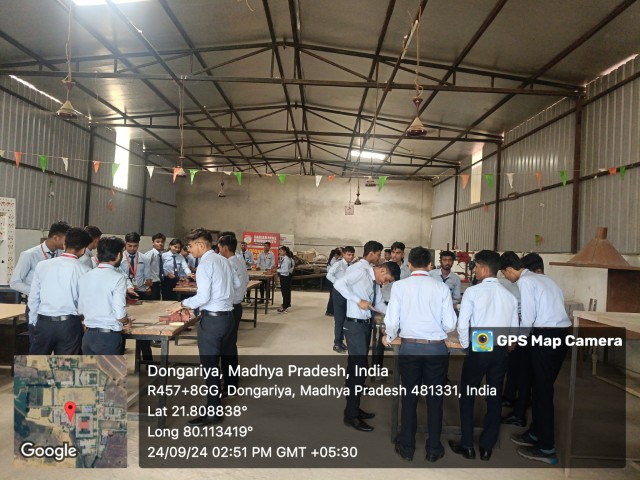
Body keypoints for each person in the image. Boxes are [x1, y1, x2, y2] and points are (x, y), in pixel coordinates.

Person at [383, 247, 456, 462]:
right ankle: (433, 449)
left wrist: (389, 335)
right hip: (436, 349)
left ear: (410, 264)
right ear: (430, 265)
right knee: (435, 399)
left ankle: (407, 448)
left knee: (410, 397)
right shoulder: (441, 287)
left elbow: (392, 319)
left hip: (410, 348)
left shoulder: (400, 286)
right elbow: (450, 323)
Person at [500, 251, 571, 465]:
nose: (507, 278)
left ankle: (547, 447)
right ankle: (535, 433)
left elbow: (528, 319)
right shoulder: (545, 279)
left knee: (542, 392)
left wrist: (516, 341)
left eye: (505, 274)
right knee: (540, 387)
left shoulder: (526, 282)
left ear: (509, 270)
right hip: (561, 336)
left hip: (545, 336)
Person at [450, 250, 519, 462]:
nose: (475, 270)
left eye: (476, 267)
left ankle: (467, 445)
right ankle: (487, 447)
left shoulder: (473, 292)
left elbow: (463, 323)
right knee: (494, 396)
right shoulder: (509, 296)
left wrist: (466, 345)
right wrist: (508, 343)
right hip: (500, 348)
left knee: (468, 394)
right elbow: (514, 329)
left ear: (484, 268)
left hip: (481, 342)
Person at [170, 228, 235, 426]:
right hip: (228, 318)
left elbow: (203, 297)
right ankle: (214, 404)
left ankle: (213, 411)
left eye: (190, 246)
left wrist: (182, 304)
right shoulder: (224, 260)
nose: (188, 250)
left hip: (213, 321)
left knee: (210, 367)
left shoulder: (206, 264)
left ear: (200, 245)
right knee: (219, 362)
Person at [334, 240, 399, 433]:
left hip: (365, 326)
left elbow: (379, 305)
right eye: (386, 279)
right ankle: (351, 416)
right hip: (353, 326)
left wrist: (396, 317)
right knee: (359, 369)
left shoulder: (374, 282)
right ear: (382, 270)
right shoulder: (361, 272)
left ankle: (353, 409)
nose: (385, 283)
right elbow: (338, 283)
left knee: (357, 368)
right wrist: (357, 300)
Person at [28, 228, 92, 354]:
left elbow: (34, 297)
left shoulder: (42, 265)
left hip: (44, 323)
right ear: (83, 250)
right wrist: (84, 322)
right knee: (67, 365)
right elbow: (85, 303)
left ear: (64, 244)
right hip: (69, 325)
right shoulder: (85, 271)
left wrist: (34, 322)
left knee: (36, 364)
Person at [11, 221, 71, 343]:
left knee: (57, 343)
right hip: (36, 305)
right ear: (56, 237)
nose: (68, 243)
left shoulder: (63, 255)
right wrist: (37, 292)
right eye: (66, 239)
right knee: (38, 344)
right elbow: (15, 282)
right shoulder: (29, 255)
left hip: (57, 307)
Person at [79, 236, 133, 355]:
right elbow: (119, 312)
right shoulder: (118, 278)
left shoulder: (86, 276)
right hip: (108, 337)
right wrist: (126, 322)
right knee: (109, 367)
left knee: (90, 367)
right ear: (118, 255)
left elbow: (80, 309)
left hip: (88, 336)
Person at [218, 234, 249, 395]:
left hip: (229, 308)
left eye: (218, 247)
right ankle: (232, 379)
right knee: (230, 346)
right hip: (237, 306)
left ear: (224, 247)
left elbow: (224, 287)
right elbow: (246, 280)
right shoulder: (239, 260)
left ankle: (229, 384)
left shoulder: (228, 264)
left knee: (226, 347)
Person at [118, 232, 153, 361]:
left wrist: (146, 284)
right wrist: (128, 286)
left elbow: (148, 278)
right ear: (125, 244)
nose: (132, 248)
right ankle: (119, 357)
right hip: (123, 294)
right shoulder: (119, 258)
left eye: (135, 246)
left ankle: (148, 361)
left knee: (143, 327)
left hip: (140, 293)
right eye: (130, 245)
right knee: (122, 327)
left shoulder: (145, 258)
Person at [327, 246, 355, 353]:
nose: (351, 257)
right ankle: (337, 343)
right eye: (348, 254)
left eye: (352, 255)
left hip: (347, 293)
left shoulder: (351, 266)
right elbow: (329, 275)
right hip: (339, 293)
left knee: (345, 319)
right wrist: (338, 283)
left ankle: (341, 341)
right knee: (339, 319)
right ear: (343, 254)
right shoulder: (338, 264)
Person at [145, 233, 166, 300]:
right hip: (151, 283)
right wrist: (146, 286)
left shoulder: (160, 255)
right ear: (153, 243)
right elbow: (144, 268)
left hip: (158, 283)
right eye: (157, 242)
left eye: (162, 242)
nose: (160, 244)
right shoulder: (150, 254)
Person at [325, 248, 343, 316]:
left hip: (330, 279)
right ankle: (330, 311)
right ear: (336, 255)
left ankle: (330, 311)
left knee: (332, 296)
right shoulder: (334, 261)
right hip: (331, 280)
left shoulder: (332, 259)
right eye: (338, 255)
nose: (339, 257)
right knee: (332, 296)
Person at [277, 246, 294, 313]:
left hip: (285, 277)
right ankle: (286, 304)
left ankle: (285, 307)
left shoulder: (286, 259)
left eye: (281, 251)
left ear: (285, 251)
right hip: (285, 276)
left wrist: (277, 270)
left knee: (285, 292)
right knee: (286, 292)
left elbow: (286, 270)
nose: (279, 252)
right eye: (279, 251)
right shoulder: (286, 258)